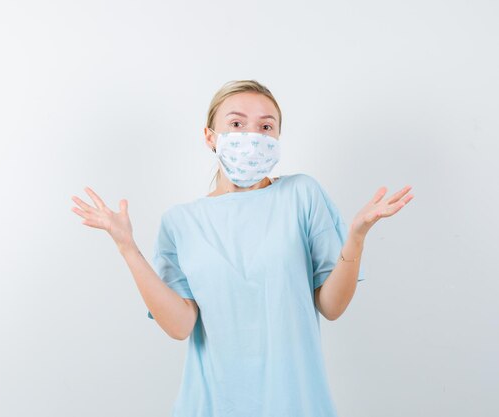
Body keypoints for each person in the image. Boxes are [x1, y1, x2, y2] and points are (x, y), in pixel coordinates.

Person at [71, 79, 414, 417]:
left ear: (278, 138)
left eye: (266, 126)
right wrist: (127, 247)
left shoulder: (301, 195)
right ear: (210, 137)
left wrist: (355, 238)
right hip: (212, 405)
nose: (253, 136)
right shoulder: (181, 222)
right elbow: (180, 326)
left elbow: (332, 306)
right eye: (236, 123)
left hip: (295, 402)